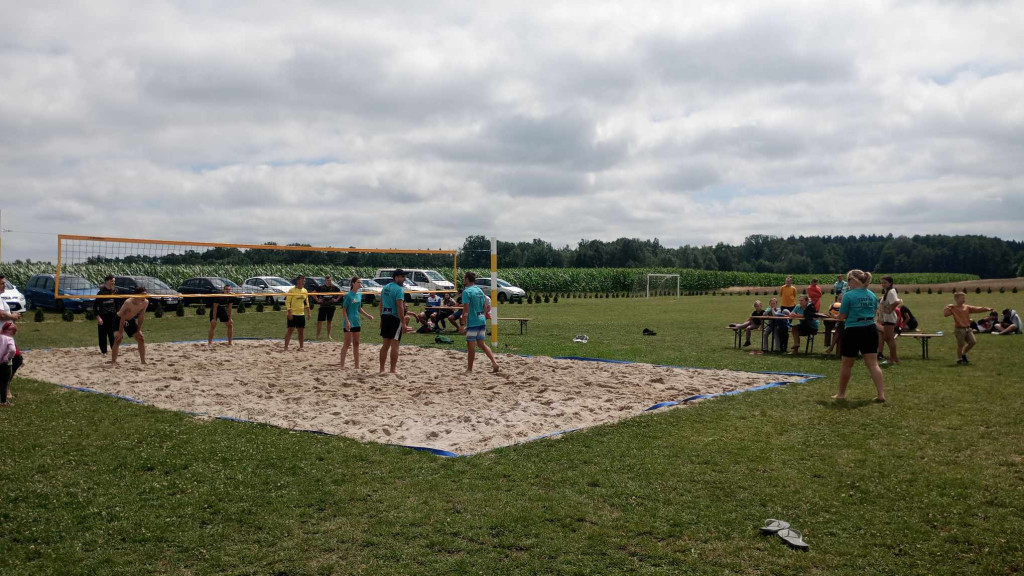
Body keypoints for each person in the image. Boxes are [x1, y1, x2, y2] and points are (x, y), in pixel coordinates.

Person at [834, 269, 885, 402]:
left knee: (846, 364)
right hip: (870, 329)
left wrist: (834, 316)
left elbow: (842, 316)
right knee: (873, 364)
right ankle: (881, 394)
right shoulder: (872, 295)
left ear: (853, 280)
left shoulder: (848, 295)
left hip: (853, 330)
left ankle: (841, 394)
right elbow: (874, 312)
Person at [460, 271, 499, 373]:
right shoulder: (479, 290)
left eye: (464, 278)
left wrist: (462, 324)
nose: (463, 280)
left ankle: (469, 369)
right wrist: (483, 316)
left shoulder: (466, 292)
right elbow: (485, 306)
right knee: (482, 344)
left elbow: (466, 310)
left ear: (467, 279)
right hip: (482, 320)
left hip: (473, 322)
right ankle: (494, 363)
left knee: (471, 346)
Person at [943, 292, 996, 365]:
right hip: (959, 329)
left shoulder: (966, 307)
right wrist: (947, 307)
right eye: (962, 298)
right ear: (956, 299)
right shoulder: (953, 308)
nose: (964, 300)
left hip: (968, 328)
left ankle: (963, 353)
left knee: (973, 342)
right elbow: (945, 315)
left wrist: (987, 309)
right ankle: (959, 359)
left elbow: (977, 309)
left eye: (964, 298)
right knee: (960, 345)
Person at [379, 269, 411, 374]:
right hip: (395, 318)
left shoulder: (385, 288)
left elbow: (381, 304)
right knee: (395, 345)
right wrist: (403, 323)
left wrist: (381, 319)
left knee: (385, 345)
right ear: (396, 277)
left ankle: (382, 369)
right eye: (402, 276)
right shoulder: (399, 289)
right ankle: (392, 369)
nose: (404, 278)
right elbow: (399, 307)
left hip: (385, 316)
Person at [339, 277, 374, 369]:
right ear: (353, 283)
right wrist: (347, 322)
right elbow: (344, 310)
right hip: (349, 322)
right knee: (347, 344)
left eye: (360, 282)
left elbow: (359, 308)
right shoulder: (348, 295)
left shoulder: (359, 294)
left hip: (356, 321)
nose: (360, 284)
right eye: (358, 282)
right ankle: (342, 365)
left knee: (356, 343)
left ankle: (357, 365)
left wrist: (367, 315)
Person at [110, 287, 149, 367]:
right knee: (118, 339)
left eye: (145, 295)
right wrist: (120, 332)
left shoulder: (145, 302)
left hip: (130, 321)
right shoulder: (128, 302)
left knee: (141, 338)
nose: (144, 297)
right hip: (119, 320)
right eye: (142, 295)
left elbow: (141, 316)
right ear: (136, 295)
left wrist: (139, 330)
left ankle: (143, 361)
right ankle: (113, 362)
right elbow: (123, 317)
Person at [877, 275, 902, 365]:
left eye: (885, 282)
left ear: (890, 283)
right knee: (887, 338)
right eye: (882, 282)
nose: (883, 284)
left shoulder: (891, 292)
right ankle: (895, 358)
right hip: (887, 318)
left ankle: (892, 359)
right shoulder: (887, 291)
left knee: (890, 338)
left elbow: (896, 302)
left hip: (890, 318)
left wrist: (890, 309)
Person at [283, 275, 312, 351]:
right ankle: (286, 347)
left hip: (301, 314)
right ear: (298, 281)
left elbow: (306, 302)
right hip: (293, 313)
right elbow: (288, 301)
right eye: (302, 280)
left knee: (301, 331)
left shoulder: (305, 290)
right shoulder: (292, 290)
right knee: (290, 330)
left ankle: (301, 347)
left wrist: (308, 312)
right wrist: (289, 312)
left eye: (304, 281)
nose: (303, 282)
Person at [94, 275, 118, 354]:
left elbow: (118, 305)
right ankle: (104, 352)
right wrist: (98, 318)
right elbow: (95, 306)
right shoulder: (100, 293)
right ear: (107, 281)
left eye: (114, 281)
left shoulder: (115, 291)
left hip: (113, 316)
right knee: (102, 335)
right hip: (103, 316)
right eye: (111, 281)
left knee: (112, 335)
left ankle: (114, 350)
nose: (113, 283)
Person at [314, 275, 342, 340]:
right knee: (319, 321)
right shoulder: (321, 287)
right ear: (325, 280)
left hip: (331, 306)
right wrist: (317, 299)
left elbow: (341, 293)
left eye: (330, 280)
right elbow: (313, 293)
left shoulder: (334, 287)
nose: (329, 281)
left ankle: (329, 335)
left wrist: (336, 299)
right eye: (328, 280)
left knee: (329, 321)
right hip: (323, 306)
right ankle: (317, 335)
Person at [1, 321, 18, 406]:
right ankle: (3, 401)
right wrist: (8, 357)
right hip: (6, 364)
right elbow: (13, 350)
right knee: (4, 382)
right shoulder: (9, 339)